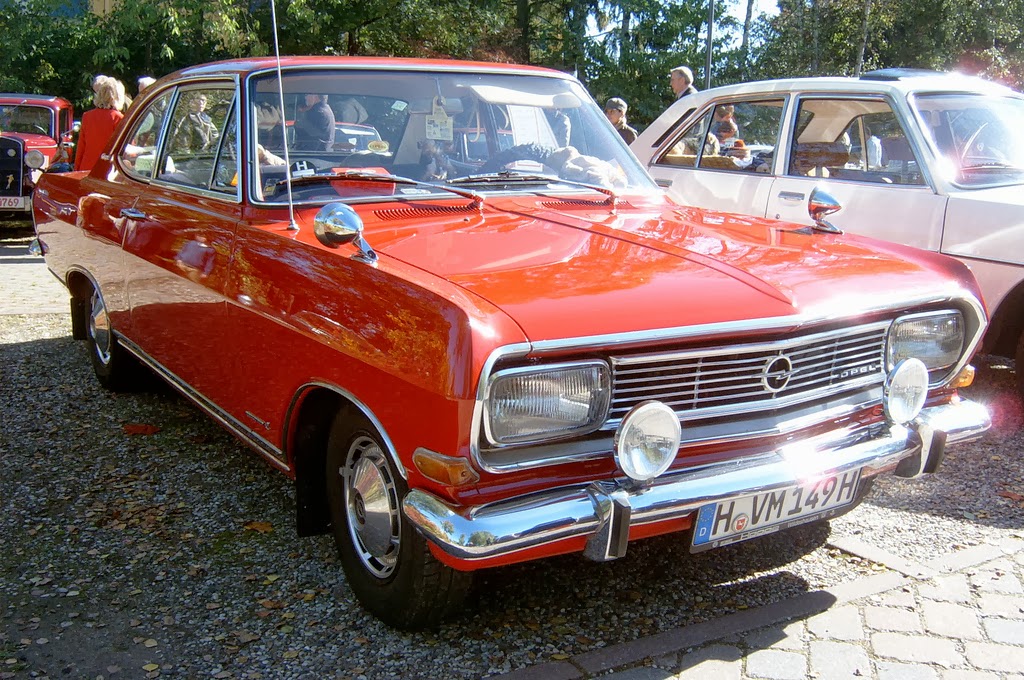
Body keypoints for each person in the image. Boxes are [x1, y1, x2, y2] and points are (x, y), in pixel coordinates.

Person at [75, 76, 127, 172]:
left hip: (86, 168)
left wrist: (76, 169)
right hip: (107, 169)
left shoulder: (87, 116)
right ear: (117, 97)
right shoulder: (119, 118)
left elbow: (81, 147)